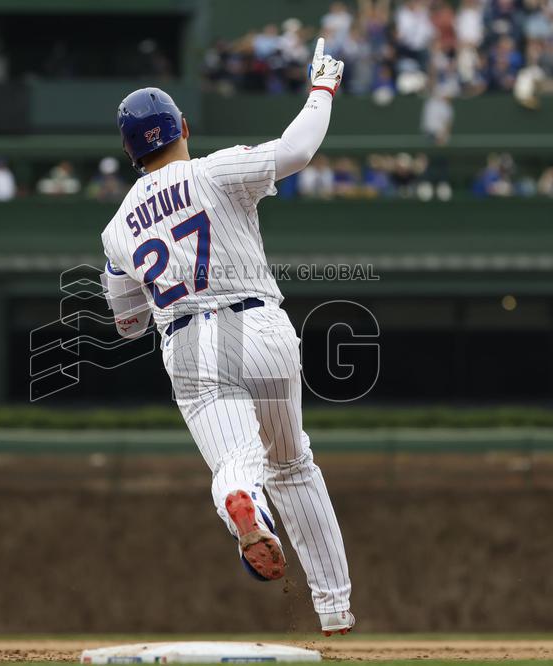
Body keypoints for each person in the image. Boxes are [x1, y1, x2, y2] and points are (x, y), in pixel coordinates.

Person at [101, 40, 354, 636]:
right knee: (293, 464)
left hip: (187, 341)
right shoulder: (216, 169)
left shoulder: (114, 233)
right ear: (182, 127)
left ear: (132, 154)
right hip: (260, 323)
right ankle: (335, 608)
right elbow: (297, 148)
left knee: (238, 462)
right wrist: (322, 87)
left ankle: (243, 499)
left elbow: (126, 323)